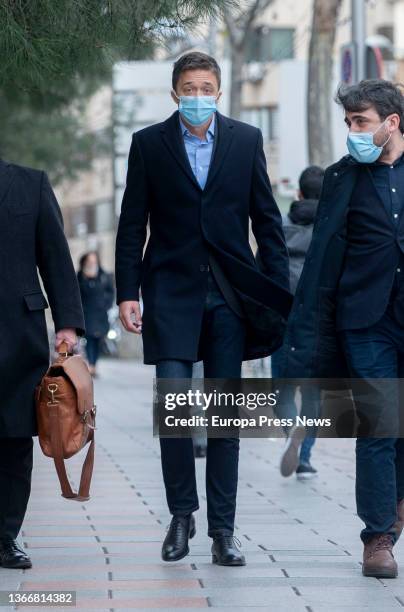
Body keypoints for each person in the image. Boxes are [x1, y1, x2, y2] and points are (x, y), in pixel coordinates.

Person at [115, 51, 290, 566]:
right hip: (169, 292)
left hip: (230, 296)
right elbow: (131, 226)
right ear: (175, 94)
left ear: (219, 91)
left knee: (223, 417)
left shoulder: (245, 141)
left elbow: (267, 221)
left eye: (206, 87)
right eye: (188, 87)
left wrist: (277, 292)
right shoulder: (148, 144)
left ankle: (223, 530)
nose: (197, 95)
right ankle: (181, 515)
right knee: (172, 408)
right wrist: (129, 292)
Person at [281, 79, 404, 579]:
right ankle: (377, 538)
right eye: (349, 122)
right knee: (379, 426)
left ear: (392, 123)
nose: (352, 131)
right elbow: (326, 255)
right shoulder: (341, 177)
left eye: (362, 122)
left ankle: (395, 505)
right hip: (364, 323)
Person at [0, 161, 85, 570]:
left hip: (18, 333)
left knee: (15, 437)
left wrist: (67, 325)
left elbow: (55, 256)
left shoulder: (30, 183)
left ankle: (5, 537)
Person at [271, 166, 325, 480]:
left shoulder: (280, 225)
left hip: (282, 318)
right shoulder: (332, 227)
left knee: (283, 390)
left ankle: (291, 430)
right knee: (315, 392)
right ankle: (304, 456)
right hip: (317, 320)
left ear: (299, 193)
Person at [77, 251, 114, 377]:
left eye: (94, 261)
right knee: (89, 339)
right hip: (87, 313)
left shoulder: (104, 276)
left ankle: (94, 364)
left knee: (98, 340)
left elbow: (110, 292)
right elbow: (77, 293)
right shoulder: (80, 276)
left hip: (100, 314)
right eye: (89, 261)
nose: (92, 263)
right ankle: (91, 365)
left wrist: (106, 305)